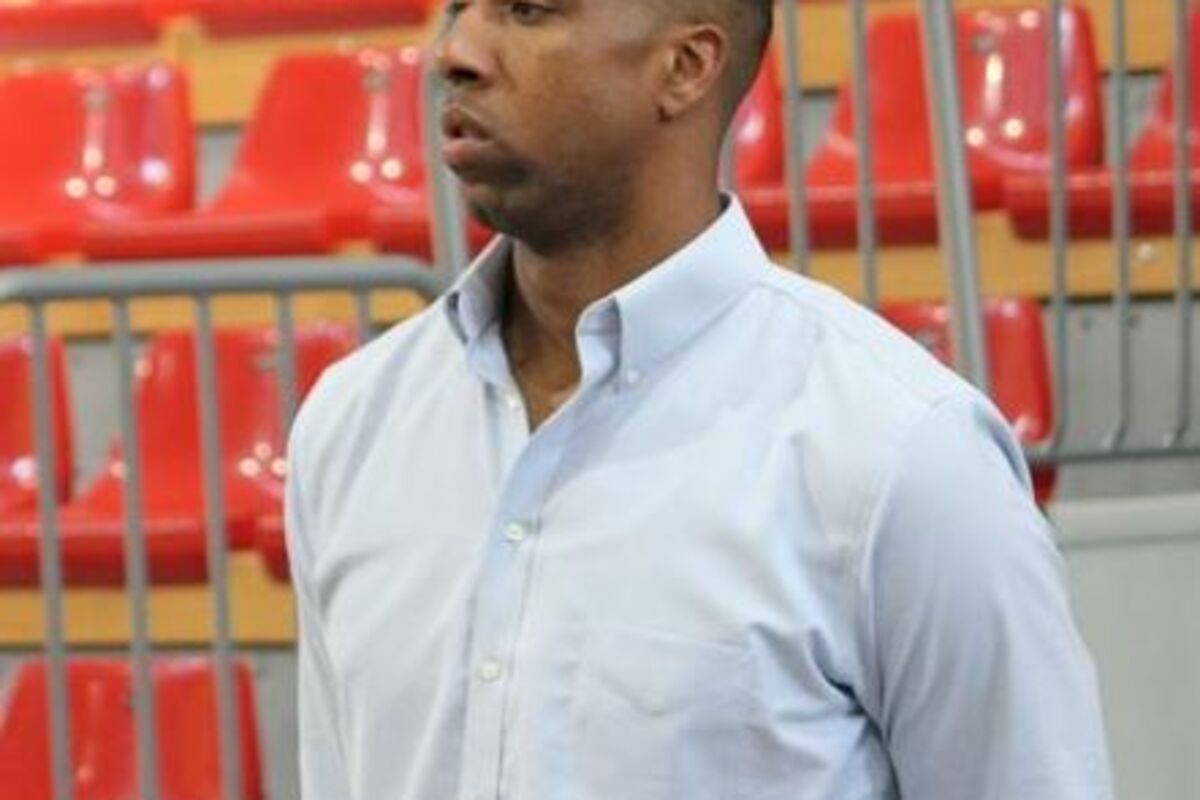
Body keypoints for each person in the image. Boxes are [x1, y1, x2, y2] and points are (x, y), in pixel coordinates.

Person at [284, 0, 1114, 797]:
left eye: (529, 9)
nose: (454, 53)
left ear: (685, 67)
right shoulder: (352, 422)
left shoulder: (905, 453)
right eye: (459, 8)